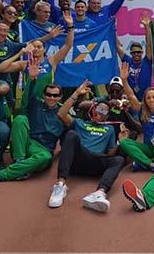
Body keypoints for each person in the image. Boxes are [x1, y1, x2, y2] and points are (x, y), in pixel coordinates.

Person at [0, 58, 65, 185]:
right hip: (23, 145)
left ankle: (0, 174)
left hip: (42, 151)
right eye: (48, 94)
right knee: (20, 118)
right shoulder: (37, 104)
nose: (51, 98)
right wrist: (31, 79)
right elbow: (25, 99)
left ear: (60, 97)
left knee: (46, 158)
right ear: (44, 95)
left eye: (55, 95)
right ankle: (19, 163)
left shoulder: (63, 113)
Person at [48, 81, 124, 212]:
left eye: (102, 111)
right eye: (96, 109)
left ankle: (100, 193)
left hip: (96, 164)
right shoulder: (80, 123)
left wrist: (120, 142)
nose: (98, 113)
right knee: (71, 134)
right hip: (78, 160)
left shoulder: (110, 129)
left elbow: (110, 154)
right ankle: (60, 185)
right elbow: (61, 114)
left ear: (107, 115)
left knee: (118, 159)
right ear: (91, 110)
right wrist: (77, 93)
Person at [0, 0, 61, 109]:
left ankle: (7, 124)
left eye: (5, 31)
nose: (2, 33)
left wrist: (50, 36)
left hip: (3, 80)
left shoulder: (11, 45)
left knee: (8, 106)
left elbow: (32, 43)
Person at [0, 10, 74, 110]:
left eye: (39, 46)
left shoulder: (51, 61)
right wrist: (19, 54)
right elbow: (0, 68)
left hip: (48, 102)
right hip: (28, 104)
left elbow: (68, 45)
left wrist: (70, 26)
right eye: (34, 46)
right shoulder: (24, 64)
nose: (36, 49)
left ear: (44, 49)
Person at [116, 13, 152, 101]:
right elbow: (117, 46)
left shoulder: (147, 61)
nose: (136, 54)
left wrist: (147, 27)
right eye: (134, 52)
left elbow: (149, 44)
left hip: (146, 99)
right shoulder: (127, 60)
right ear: (131, 53)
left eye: (138, 52)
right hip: (130, 98)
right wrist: (112, 29)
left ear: (142, 52)